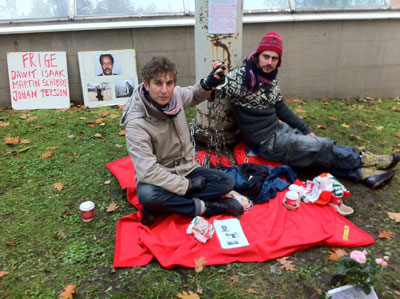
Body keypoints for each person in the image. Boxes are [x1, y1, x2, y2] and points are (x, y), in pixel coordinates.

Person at [214, 32, 398, 189]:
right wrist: (215, 78)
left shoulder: (271, 79)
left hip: (278, 130)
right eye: (266, 57)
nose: (269, 62)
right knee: (322, 145)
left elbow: (281, 108)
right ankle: (365, 160)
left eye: (274, 58)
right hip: (265, 142)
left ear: (279, 61)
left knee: (316, 152)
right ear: (258, 55)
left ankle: (364, 174)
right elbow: (219, 90)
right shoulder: (243, 76)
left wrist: (305, 129)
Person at [121, 56, 243, 226]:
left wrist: (208, 84)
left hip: (187, 167)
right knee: (148, 195)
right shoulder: (135, 123)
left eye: (169, 83)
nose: (165, 90)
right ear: (147, 85)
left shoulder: (175, 95)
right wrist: (187, 186)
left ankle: (164, 205)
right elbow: (148, 172)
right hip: (159, 174)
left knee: (226, 182)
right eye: (158, 83)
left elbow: (193, 94)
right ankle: (206, 207)